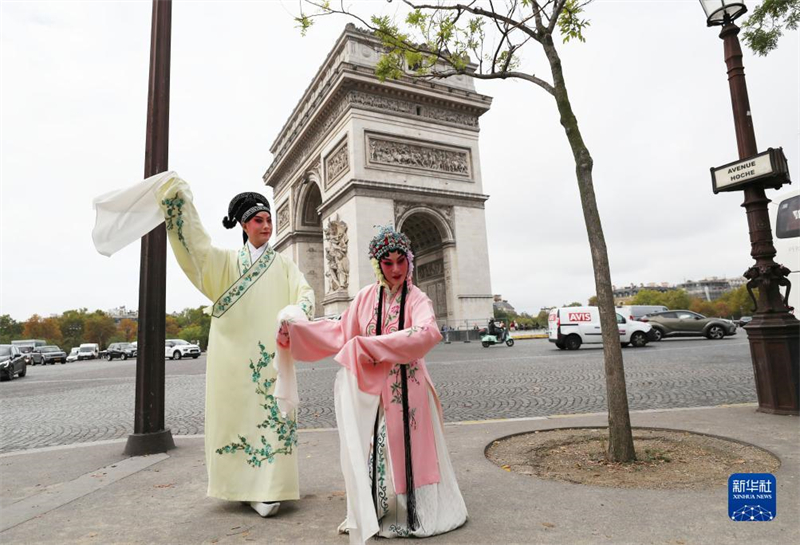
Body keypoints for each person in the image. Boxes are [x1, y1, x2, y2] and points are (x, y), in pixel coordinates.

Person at [92, 172, 315, 518]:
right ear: (244, 225)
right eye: (259, 219)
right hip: (232, 358)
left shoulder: (285, 265)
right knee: (237, 419)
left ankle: (270, 487)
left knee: (272, 417)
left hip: (271, 356)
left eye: (269, 219)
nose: (267, 225)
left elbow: (305, 293)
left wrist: (295, 312)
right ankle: (242, 486)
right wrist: (179, 204)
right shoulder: (226, 263)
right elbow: (197, 250)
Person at [277, 226, 467, 544]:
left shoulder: (418, 298)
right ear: (377, 264)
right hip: (370, 390)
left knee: (408, 448)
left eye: (400, 261)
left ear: (410, 261)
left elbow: (427, 333)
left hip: (409, 389)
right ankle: (375, 508)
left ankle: (416, 511)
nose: (395, 270)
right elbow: (340, 332)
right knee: (374, 448)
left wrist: (370, 346)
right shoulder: (366, 296)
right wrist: (297, 332)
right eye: (387, 262)